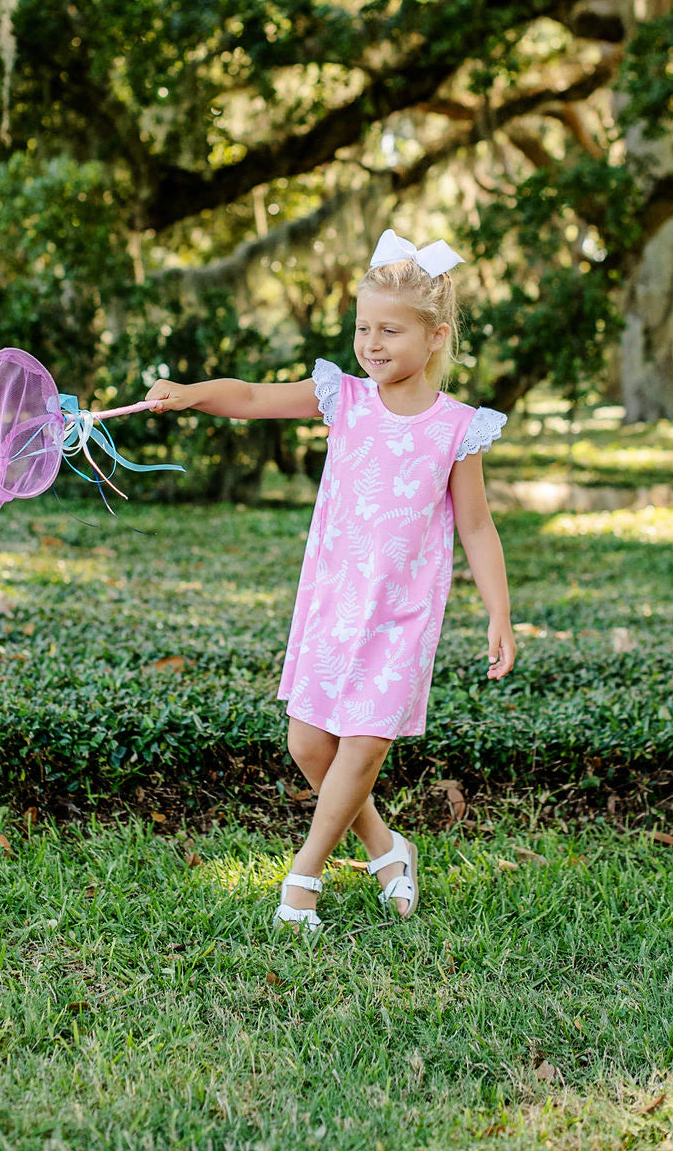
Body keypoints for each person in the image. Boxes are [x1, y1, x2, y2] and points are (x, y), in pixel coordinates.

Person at [145, 228, 515, 932]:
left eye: (390, 331)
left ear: (436, 336)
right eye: (362, 328)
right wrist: (192, 395)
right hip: (335, 604)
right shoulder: (345, 398)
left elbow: (476, 527)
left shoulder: (456, 429)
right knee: (309, 745)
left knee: (366, 742)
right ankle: (386, 847)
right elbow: (251, 398)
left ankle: (303, 878)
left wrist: (499, 613)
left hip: (402, 615)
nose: (371, 344)